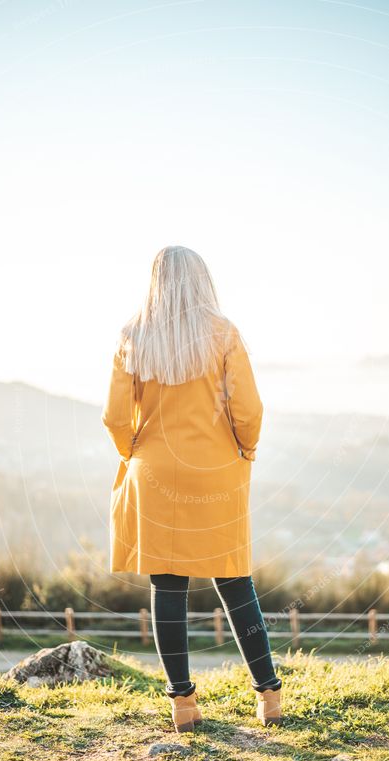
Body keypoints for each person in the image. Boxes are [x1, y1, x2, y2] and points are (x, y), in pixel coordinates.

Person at [101, 245, 282, 732]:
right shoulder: (223, 332)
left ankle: (183, 704)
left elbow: (116, 417)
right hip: (217, 470)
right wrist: (245, 450)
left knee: (167, 585)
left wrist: (134, 452)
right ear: (202, 280)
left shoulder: (132, 334)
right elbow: (249, 411)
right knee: (235, 580)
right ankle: (269, 696)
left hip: (154, 471)